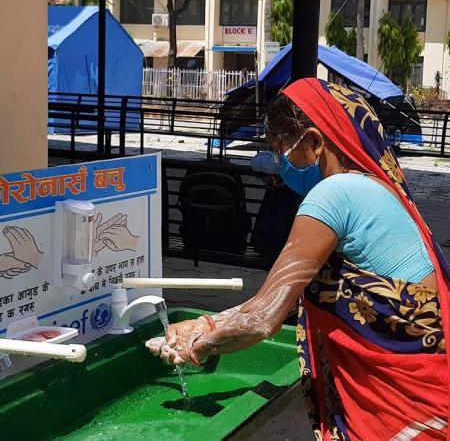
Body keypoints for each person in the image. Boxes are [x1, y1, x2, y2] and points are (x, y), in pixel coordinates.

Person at [147, 78, 450, 440]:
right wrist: (207, 324)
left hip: (401, 402)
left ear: (314, 142)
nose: (277, 164)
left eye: (281, 151)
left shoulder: (333, 194)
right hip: (429, 379)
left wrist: (197, 346)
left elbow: (264, 318)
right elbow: (273, 298)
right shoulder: (374, 185)